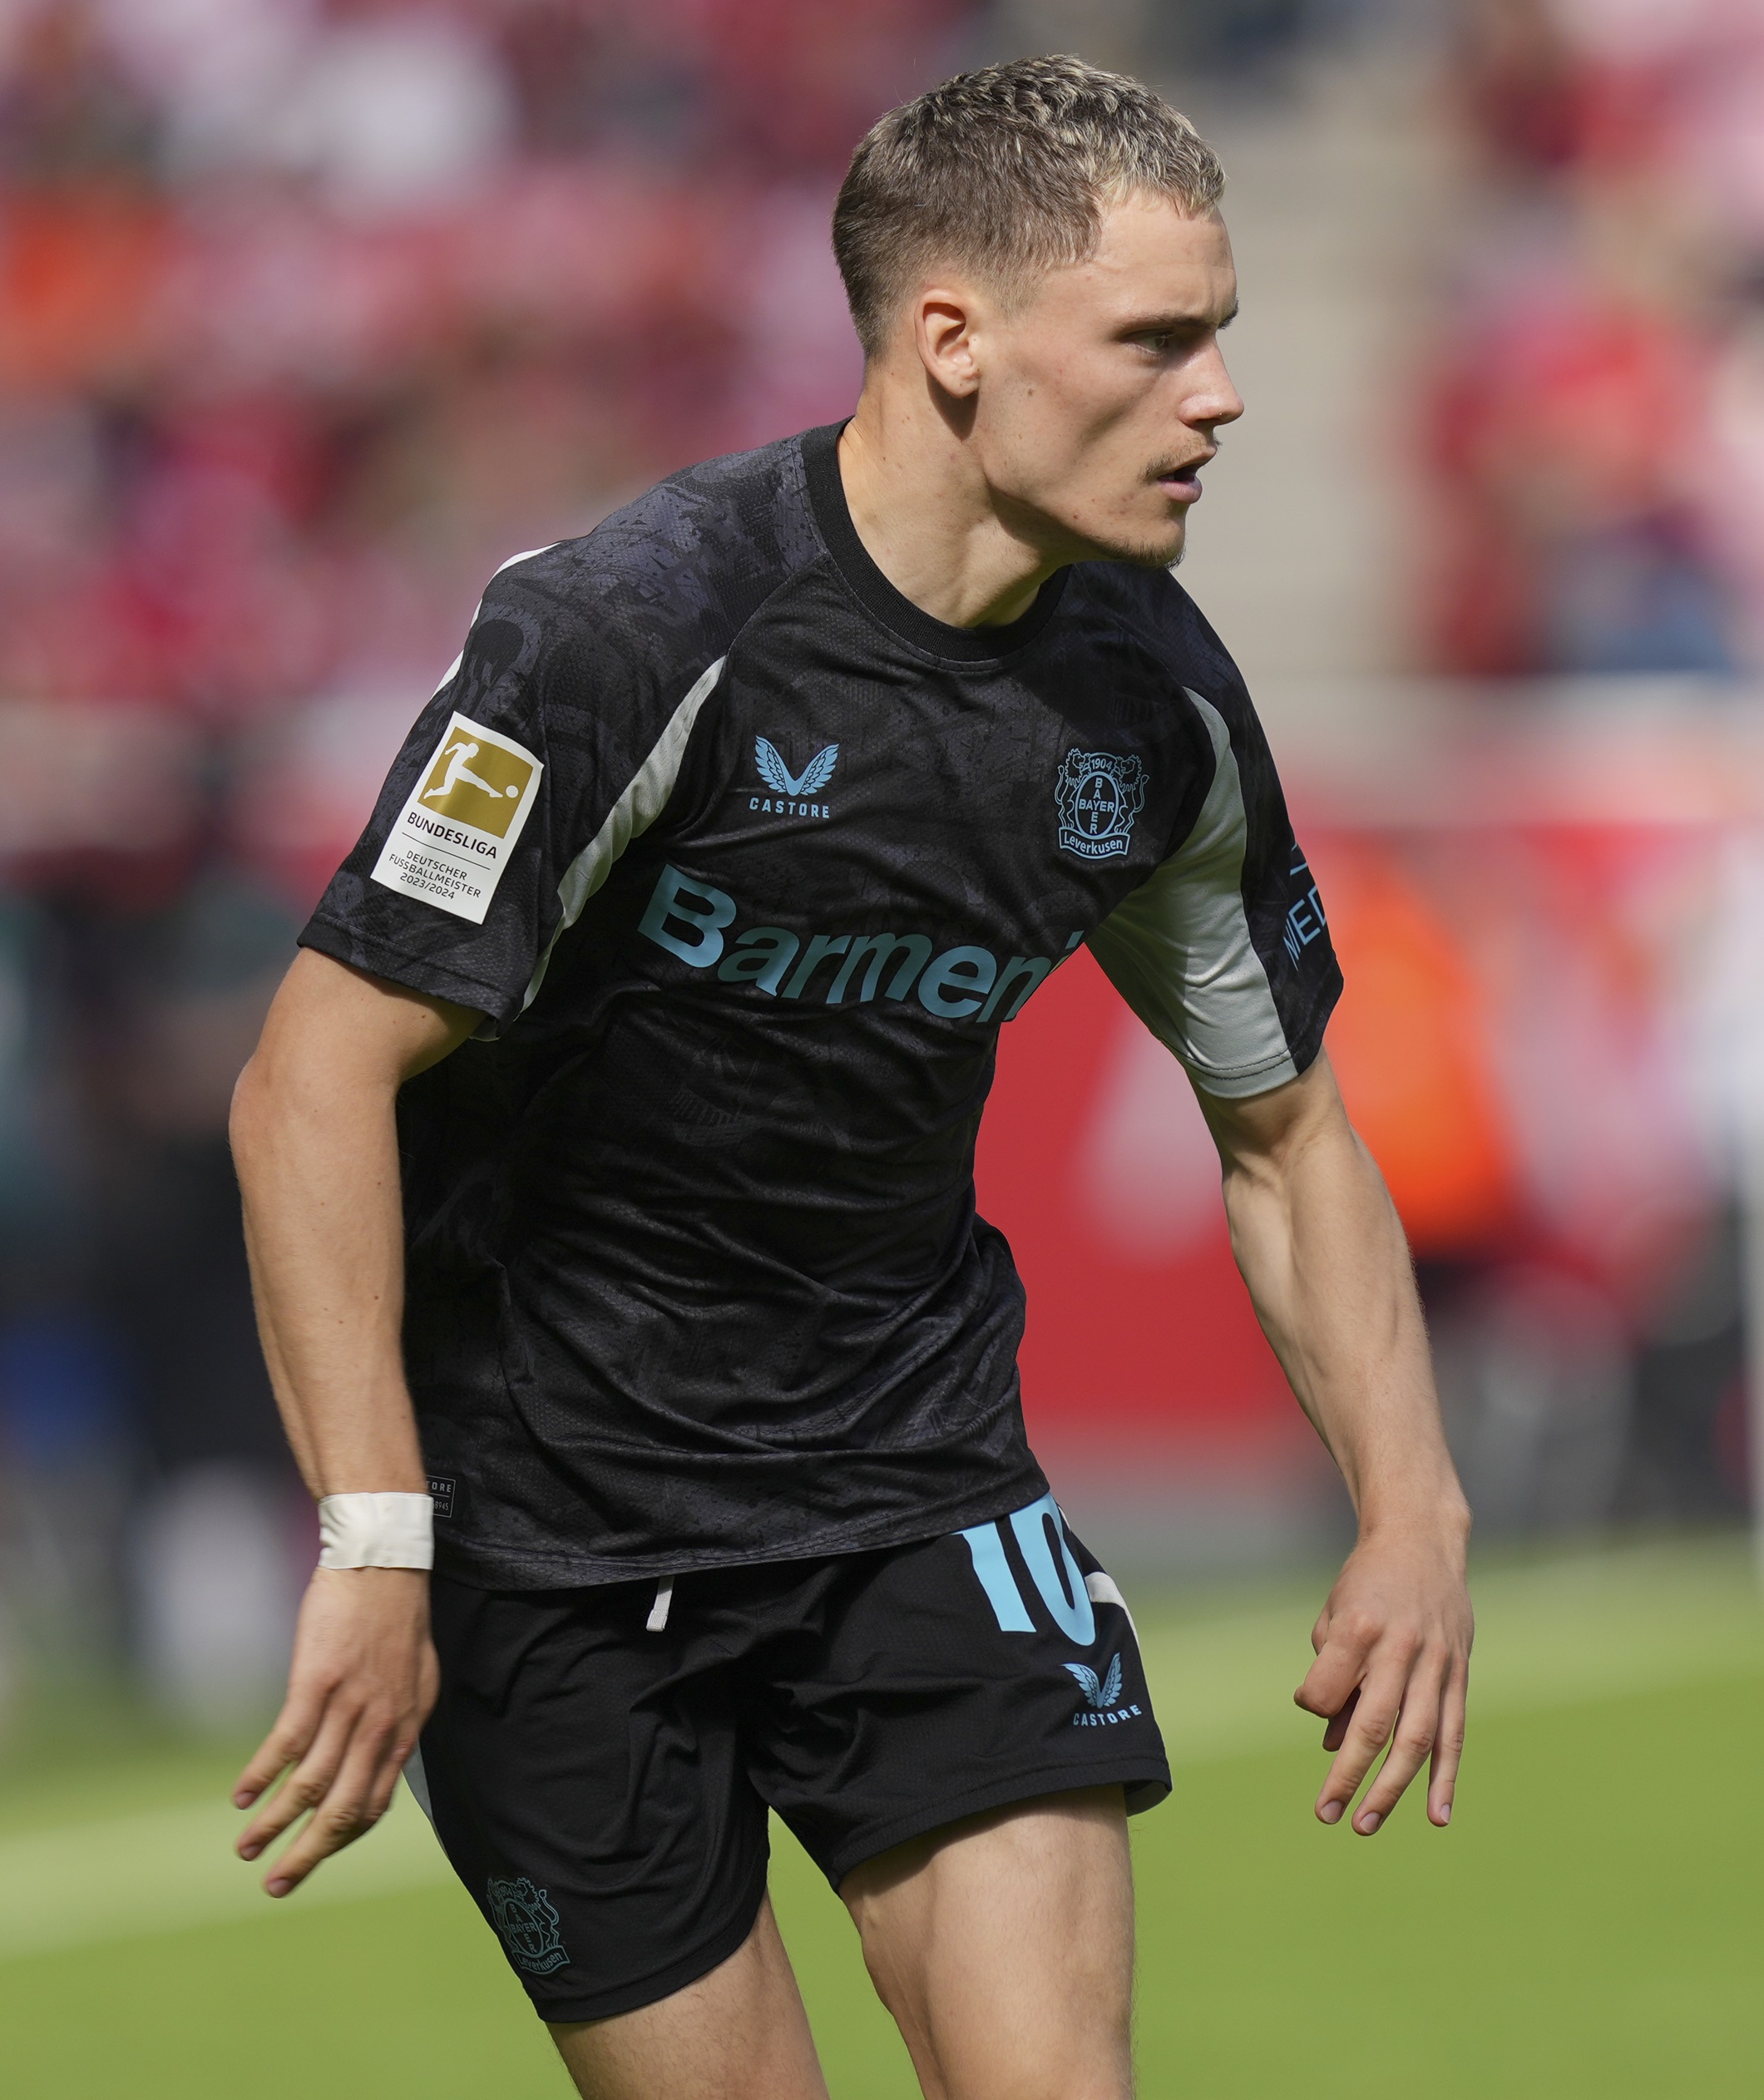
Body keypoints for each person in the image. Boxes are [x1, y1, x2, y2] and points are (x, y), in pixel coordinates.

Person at [225, 55, 1472, 2100]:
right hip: (547, 1534)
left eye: (1222, 334)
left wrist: (1411, 1507)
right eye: (1155, 341)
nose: (1220, 397)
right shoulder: (631, 633)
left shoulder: (1150, 697)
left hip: (912, 1488)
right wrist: (377, 1540)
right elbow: (308, 1081)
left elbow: (1286, 1132)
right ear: (953, 341)